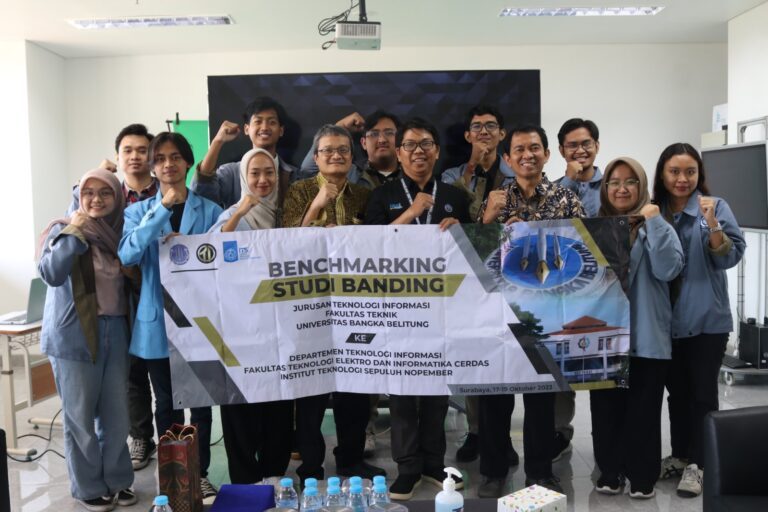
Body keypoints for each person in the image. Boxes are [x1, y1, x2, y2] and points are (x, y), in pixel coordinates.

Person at [476, 125, 584, 498]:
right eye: (519, 149)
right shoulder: (494, 199)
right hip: (498, 312)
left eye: (534, 148)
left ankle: (540, 472)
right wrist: (490, 224)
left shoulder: (566, 199)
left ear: (547, 154)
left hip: (547, 312)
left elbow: (584, 247)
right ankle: (492, 471)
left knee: (541, 398)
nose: (528, 155)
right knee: (494, 395)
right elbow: (474, 253)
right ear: (507, 158)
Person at [365, 117, 470, 501]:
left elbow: (474, 252)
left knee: (437, 389)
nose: (418, 151)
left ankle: (433, 462)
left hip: (443, 307)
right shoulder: (383, 196)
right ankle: (407, 466)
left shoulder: (456, 196)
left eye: (426, 143)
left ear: (437, 151)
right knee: (403, 392)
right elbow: (369, 248)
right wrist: (411, 213)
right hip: (397, 309)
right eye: (409, 145)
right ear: (398, 152)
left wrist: (461, 230)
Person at [118, 132, 223, 504]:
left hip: (200, 321)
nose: (168, 164)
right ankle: (173, 478)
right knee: (166, 404)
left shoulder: (210, 209)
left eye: (175, 156)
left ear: (188, 162)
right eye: (160, 158)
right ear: (152, 166)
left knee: (202, 404)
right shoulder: (137, 212)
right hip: (157, 323)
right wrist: (162, 208)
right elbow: (128, 254)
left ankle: (201, 475)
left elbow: (227, 258)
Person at [282, 124, 385, 484]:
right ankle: (311, 466)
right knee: (311, 392)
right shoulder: (299, 191)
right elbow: (286, 243)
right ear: (316, 157)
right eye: (328, 150)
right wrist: (317, 206)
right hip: (309, 306)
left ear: (353, 157)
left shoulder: (364, 195)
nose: (336, 156)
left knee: (355, 389)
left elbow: (378, 244)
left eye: (343, 150)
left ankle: (351, 460)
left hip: (354, 305)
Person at [39, 169, 137, 512]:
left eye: (105, 193)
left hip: (116, 330)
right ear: (78, 197)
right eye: (88, 193)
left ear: (117, 197)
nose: (96, 199)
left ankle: (118, 480)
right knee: (80, 418)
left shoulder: (121, 232)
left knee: (116, 415)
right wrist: (75, 232)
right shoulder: (63, 229)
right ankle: (89, 487)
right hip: (74, 334)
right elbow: (51, 273)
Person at [652, 143, 745, 498]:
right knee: (676, 394)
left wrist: (712, 224)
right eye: (674, 171)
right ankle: (680, 455)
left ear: (699, 175)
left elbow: (728, 258)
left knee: (702, 394)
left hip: (707, 320)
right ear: (663, 174)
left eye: (690, 172)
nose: (682, 179)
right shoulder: (655, 211)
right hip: (666, 322)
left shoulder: (715, 206)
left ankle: (701, 464)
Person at [590, 157, 683, 499]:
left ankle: (642, 475)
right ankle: (610, 472)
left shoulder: (659, 226)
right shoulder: (593, 227)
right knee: (605, 410)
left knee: (643, 411)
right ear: (605, 188)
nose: (622, 188)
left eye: (630, 181)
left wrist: (653, 221)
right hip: (604, 337)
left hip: (646, 336)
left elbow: (668, 269)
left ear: (642, 187)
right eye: (614, 182)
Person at [68, 124, 160, 472]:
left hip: (153, 288)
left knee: (163, 369)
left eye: (142, 150)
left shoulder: (165, 190)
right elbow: (77, 212)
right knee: (131, 371)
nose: (135, 157)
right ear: (117, 157)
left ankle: (173, 437)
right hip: (118, 293)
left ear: (152, 156)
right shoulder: (106, 193)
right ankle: (141, 436)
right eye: (128, 151)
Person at [208, 148, 295, 483]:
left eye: (269, 172)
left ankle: (274, 473)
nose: (262, 180)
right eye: (254, 173)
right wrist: (241, 211)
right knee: (241, 404)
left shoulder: (284, 213)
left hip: (280, 327)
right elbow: (210, 254)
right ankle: (245, 478)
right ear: (244, 177)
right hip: (240, 328)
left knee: (279, 404)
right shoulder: (233, 213)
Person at [440, 104, 516, 464]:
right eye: (477, 126)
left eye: (491, 125)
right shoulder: (452, 174)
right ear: (468, 135)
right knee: (473, 358)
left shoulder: (515, 171)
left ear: (502, 133)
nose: (484, 131)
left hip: (508, 275)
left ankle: (502, 437)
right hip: (467, 278)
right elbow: (452, 215)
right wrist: (473, 167)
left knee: (507, 358)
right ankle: (475, 431)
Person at [551, 118, 603, 462]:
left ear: (597, 145)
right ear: (561, 151)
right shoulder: (553, 189)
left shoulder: (614, 185)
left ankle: (606, 440)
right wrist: (569, 180)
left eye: (586, 143)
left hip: (603, 294)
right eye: (572, 145)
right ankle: (559, 433)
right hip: (561, 296)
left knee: (603, 369)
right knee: (560, 370)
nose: (580, 150)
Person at [191, 96, 298, 208]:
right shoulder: (231, 173)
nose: (265, 127)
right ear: (247, 129)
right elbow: (200, 194)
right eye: (258, 121)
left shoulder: (293, 175)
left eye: (272, 122)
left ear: (281, 131)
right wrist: (217, 141)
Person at [298, 110, 403, 190]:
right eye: (374, 134)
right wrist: (340, 128)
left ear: (399, 139)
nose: (382, 140)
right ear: (364, 143)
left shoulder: (410, 172)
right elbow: (308, 170)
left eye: (389, 133)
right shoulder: (349, 172)